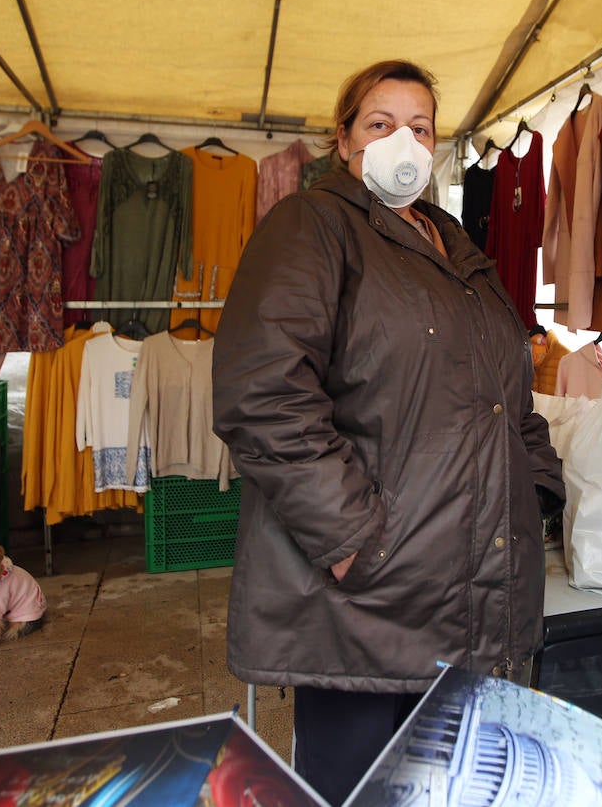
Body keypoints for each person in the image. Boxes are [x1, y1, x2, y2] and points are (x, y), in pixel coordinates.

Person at [212, 59, 565, 804]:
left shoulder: (456, 247)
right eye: (380, 123)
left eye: (420, 126)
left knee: (455, 788)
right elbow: (264, 392)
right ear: (343, 141)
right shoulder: (312, 224)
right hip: (368, 599)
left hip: (470, 585)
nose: (402, 140)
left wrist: (536, 489)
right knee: (360, 789)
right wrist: (353, 541)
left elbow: (509, 394)